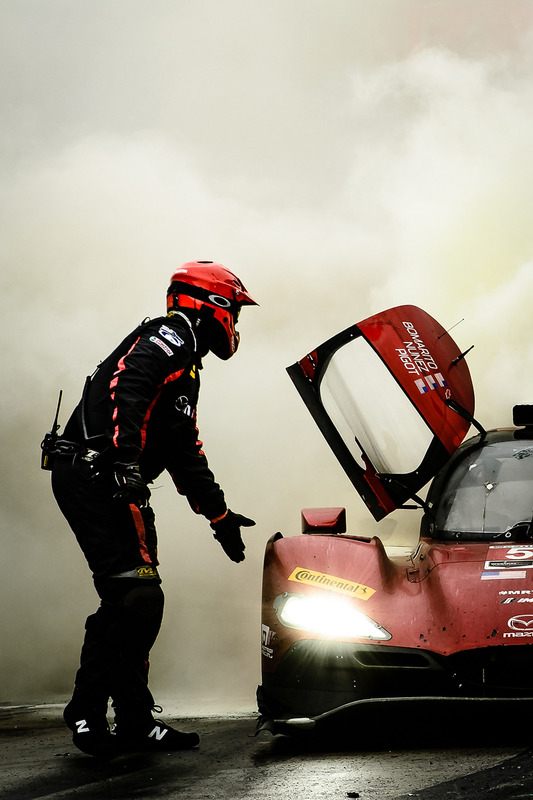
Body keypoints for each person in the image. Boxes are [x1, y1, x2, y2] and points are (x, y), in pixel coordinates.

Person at [48, 261, 257, 757]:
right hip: (97, 476)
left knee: (133, 600)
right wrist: (123, 459)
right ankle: (92, 711)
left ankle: (131, 719)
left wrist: (220, 516)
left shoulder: (185, 367)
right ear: (215, 306)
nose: (237, 326)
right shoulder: (171, 336)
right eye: (236, 312)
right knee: (136, 598)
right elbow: (128, 385)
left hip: (104, 479)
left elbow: (184, 449)